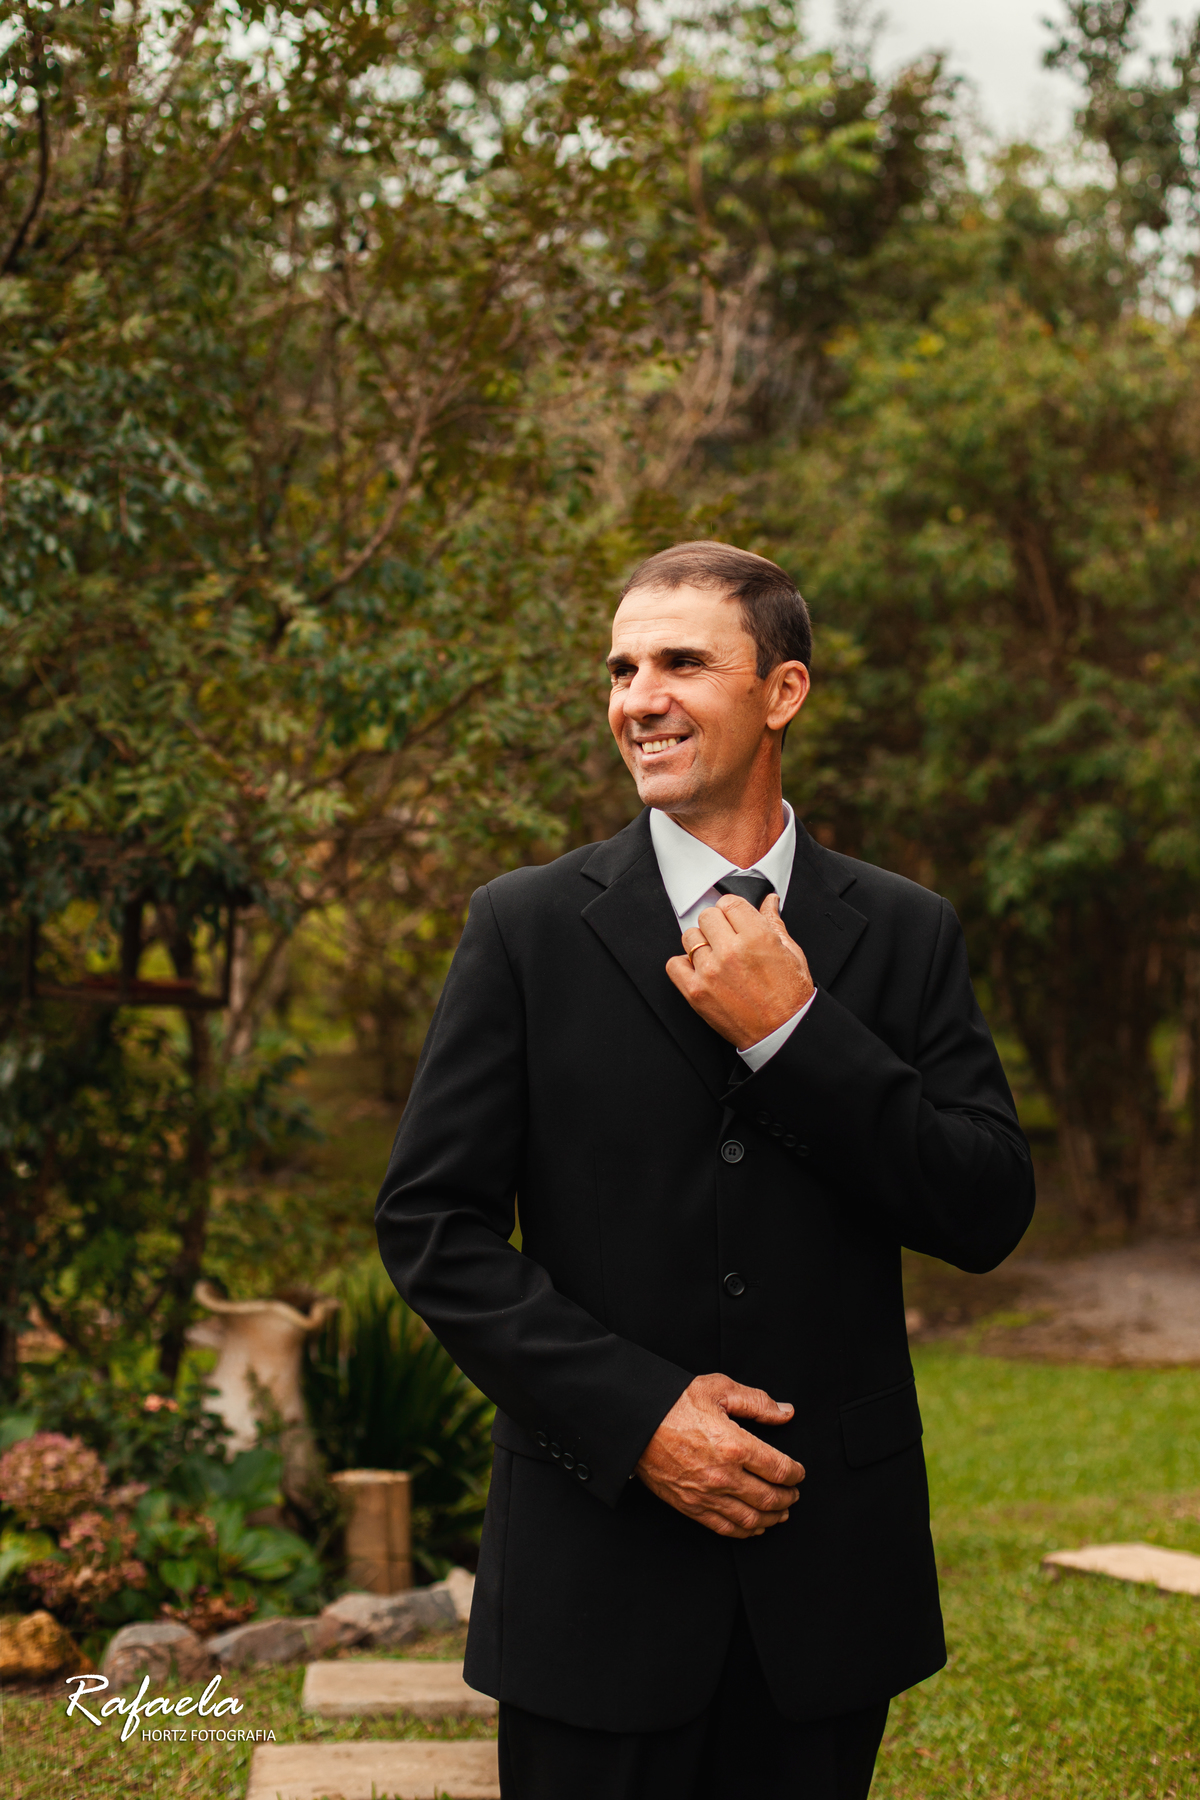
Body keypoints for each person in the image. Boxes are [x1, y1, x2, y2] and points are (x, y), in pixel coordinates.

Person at [375, 541, 1035, 1800]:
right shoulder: (523, 927)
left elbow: (986, 1207)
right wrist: (641, 1418)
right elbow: (431, 1226)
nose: (639, 698)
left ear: (783, 692)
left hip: (827, 1581)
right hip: (592, 1572)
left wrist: (798, 1034)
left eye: (680, 662)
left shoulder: (905, 930)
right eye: (621, 669)